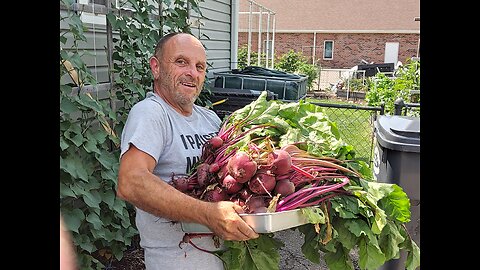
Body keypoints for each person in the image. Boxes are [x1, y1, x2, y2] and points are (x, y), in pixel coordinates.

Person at [116, 32, 259, 270]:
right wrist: (208, 214)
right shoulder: (151, 113)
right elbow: (130, 182)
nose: (192, 73)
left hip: (227, 257)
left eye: (200, 67)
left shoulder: (210, 119)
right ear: (156, 67)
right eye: (181, 62)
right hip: (177, 261)